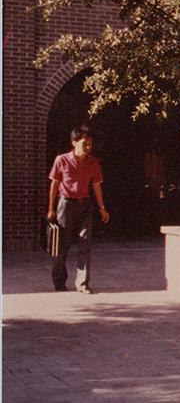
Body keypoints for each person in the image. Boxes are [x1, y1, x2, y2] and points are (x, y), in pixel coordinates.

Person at [46, 125, 109, 293]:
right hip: (65, 205)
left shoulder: (93, 162)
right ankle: (59, 281)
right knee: (62, 245)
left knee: (85, 244)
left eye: (90, 143)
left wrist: (102, 208)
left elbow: (96, 187)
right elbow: (54, 185)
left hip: (85, 205)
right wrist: (51, 209)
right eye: (84, 143)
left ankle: (83, 284)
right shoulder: (62, 160)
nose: (88, 146)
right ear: (74, 143)